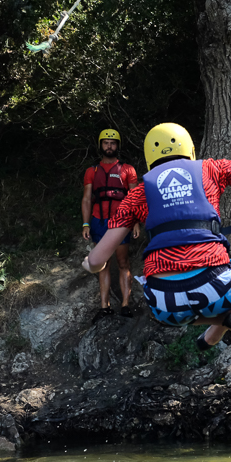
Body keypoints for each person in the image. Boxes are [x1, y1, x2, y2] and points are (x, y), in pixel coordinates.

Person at [82, 123, 231, 350]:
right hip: (217, 287)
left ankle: (214, 328)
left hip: (162, 304)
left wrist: (89, 264)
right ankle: (221, 327)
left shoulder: (137, 194)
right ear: (190, 149)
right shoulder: (211, 169)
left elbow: (96, 261)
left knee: (177, 305)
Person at [81, 129, 139, 321]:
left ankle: (125, 305)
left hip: (121, 222)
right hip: (99, 221)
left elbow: (134, 198)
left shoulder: (127, 170)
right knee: (102, 265)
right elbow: (87, 199)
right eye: (106, 142)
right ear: (101, 145)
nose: (109, 146)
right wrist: (86, 223)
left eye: (113, 143)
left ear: (118, 146)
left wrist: (136, 222)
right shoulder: (92, 171)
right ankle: (104, 307)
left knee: (123, 262)